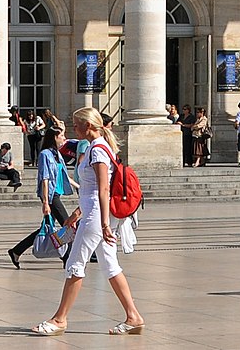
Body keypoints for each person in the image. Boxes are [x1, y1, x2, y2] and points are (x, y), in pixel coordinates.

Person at [31, 108, 145, 336]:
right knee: (109, 264)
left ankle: (60, 319)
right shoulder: (96, 147)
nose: (74, 128)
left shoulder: (98, 150)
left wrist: (103, 223)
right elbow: (90, 190)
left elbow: (102, 189)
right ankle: (133, 316)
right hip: (92, 211)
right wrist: (78, 212)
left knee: (75, 264)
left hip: (96, 215)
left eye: (77, 124)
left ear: (89, 126)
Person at [8, 123, 76, 268]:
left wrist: (80, 187)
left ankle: (16, 251)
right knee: (68, 224)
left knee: (45, 228)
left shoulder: (56, 154)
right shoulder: (45, 154)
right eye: (62, 136)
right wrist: (45, 202)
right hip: (50, 196)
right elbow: (44, 178)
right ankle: (67, 257)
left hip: (56, 193)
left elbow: (63, 174)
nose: (64, 138)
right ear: (54, 138)